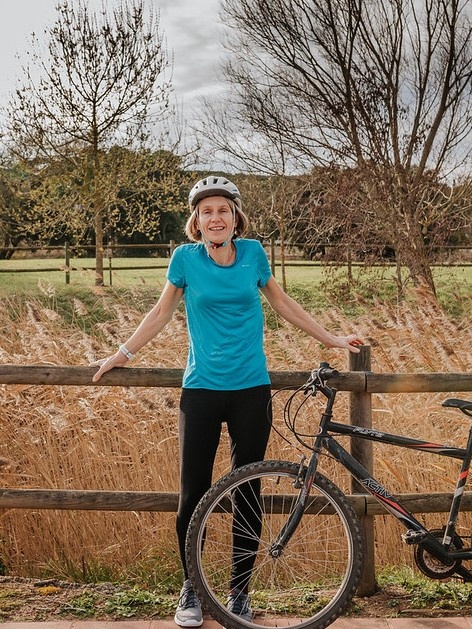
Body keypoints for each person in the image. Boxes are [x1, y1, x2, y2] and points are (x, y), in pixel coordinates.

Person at [91, 175, 364, 627]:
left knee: (247, 492)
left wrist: (332, 339)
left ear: (236, 217)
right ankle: (193, 588)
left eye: (223, 210)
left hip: (250, 392)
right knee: (193, 494)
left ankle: (239, 592)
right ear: (196, 221)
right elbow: (160, 312)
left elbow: (283, 304)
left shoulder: (253, 254)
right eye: (207, 211)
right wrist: (122, 354)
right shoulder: (185, 259)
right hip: (200, 391)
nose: (215, 218)